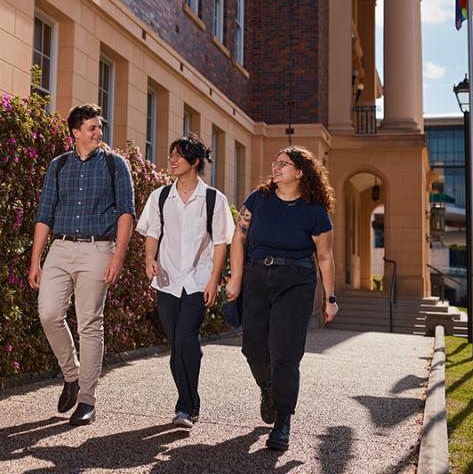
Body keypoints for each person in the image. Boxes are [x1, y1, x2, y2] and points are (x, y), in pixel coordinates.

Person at [29, 104, 135, 426]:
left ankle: (87, 398)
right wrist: (35, 260)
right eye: (91, 127)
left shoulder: (116, 165)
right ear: (75, 132)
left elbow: (126, 213)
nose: (98, 133)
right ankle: (72, 375)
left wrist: (118, 256)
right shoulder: (58, 166)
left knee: (90, 323)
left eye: (99, 127)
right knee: (48, 313)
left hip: (98, 249)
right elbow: (44, 214)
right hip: (60, 248)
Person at [226, 146, 338, 451]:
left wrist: (330, 298)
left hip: (296, 283)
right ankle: (269, 389)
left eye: (284, 164)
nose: (276, 168)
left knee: (284, 353)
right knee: (252, 349)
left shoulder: (315, 211)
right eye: (275, 163)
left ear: (300, 172)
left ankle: (283, 420)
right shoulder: (257, 200)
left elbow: (325, 257)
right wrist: (236, 278)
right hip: (258, 279)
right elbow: (239, 237)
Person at [136, 135, 234, 428]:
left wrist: (213, 281)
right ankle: (190, 400)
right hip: (166, 280)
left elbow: (220, 243)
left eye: (179, 156)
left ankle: (185, 407)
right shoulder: (160, 196)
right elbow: (152, 233)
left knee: (185, 338)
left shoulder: (215, 199)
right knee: (178, 345)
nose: (173, 161)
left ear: (194, 162)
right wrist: (148, 260)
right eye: (171, 155)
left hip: (198, 280)